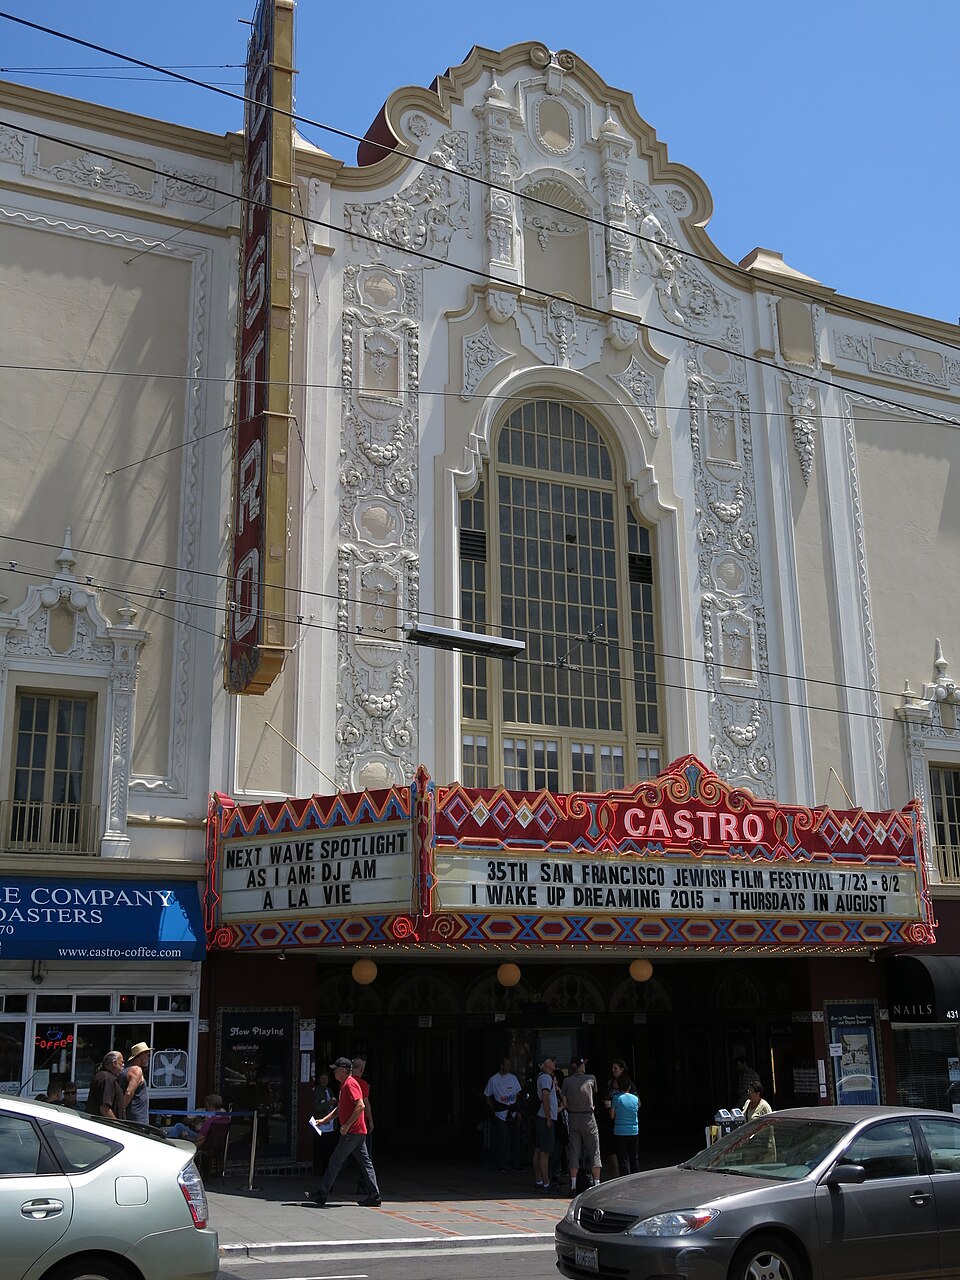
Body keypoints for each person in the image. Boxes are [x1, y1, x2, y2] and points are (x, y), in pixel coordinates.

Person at [308, 1056, 381, 1207]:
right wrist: (324, 1120)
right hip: (358, 1131)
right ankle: (374, 1195)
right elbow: (339, 1109)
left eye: (335, 1069)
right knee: (365, 1162)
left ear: (343, 1070)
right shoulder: (345, 1085)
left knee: (335, 1161)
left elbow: (360, 1105)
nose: (333, 1072)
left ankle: (322, 1193)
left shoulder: (350, 1084)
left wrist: (346, 1125)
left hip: (352, 1132)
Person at [561, 1058, 602, 1192]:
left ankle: (573, 1185)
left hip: (573, 1116)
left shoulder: (567, 1081)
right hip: (587, 1116)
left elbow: (565, 1101)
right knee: (594, 1150)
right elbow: (594, 1094)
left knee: (574, 1151)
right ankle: (596, 1183)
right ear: (580, 1066)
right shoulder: (591, 1078)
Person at [484, 1056, 522, 1172]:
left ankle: (514, 1163)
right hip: (500, 1113)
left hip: (512, 1112)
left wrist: (517, 1108)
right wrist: (493, 1107)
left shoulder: (513, 1078)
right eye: (507, 1064)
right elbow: (486, 1095)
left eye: (510, 1064)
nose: (509, 1067)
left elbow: (518, 1093)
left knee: (514, 1138)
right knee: (502, 1138)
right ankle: (502, 1164)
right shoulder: (494, 1080)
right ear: (502, 1066)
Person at [532, 1054, 558, 1192]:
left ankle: (539, 1180)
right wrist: (549, 1117)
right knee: (544, 1152)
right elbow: (545, 1097)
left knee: (538, 1149)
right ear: (545, 1063)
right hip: (544, 1118)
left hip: (539, 1118)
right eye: (552, 1061)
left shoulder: (540, 1077)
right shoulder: (546, 1078)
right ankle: (546, 1183)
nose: (554, 1063)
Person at [609, 1075, 641, 1175]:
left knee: (623, 1159)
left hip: (620, 1132)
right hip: (633, 1130)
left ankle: (625, 1178)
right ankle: (635, 1176)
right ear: (629, 1087)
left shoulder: (616, 1098)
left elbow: (612, 1115)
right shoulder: (635, 1099)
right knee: (634, 1157)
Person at [351, 1056, 374, 1192]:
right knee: (366, 1158)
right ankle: (365, 1185)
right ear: (361, 1069)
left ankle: (328, 1185)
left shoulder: (346, 1082)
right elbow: (365, 1104)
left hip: (349, 1125)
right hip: (360, 1126)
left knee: (341, 1157)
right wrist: (370, 1121)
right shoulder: (361, 1084)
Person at [85, 1051, 126, 1120]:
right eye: (121, 1062)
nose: (123, 1065)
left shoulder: (104, 1077)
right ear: (114, 1063)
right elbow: (105, 1109)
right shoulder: (107, 1079)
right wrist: (117, 1125)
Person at [312, 1071, 338, 1177]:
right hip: (321, 1124)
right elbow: (316, 1107)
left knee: (329, 1148)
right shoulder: (317, 1091)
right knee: (322, 1148)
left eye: (326, 1078)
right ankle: (322, 1170)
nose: (324, 1080)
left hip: (330, 1124)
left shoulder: (329, 1090)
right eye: (322, 1078)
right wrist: (329, 1104)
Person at [119, 1041, 152, 1125]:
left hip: (133, 1119)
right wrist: (120, 1111)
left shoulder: (126, 1070)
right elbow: (129, 1092)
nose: (148, 1058)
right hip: (137, 1121)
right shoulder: (136, 1070)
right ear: (141, 1055)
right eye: (147, 1055)